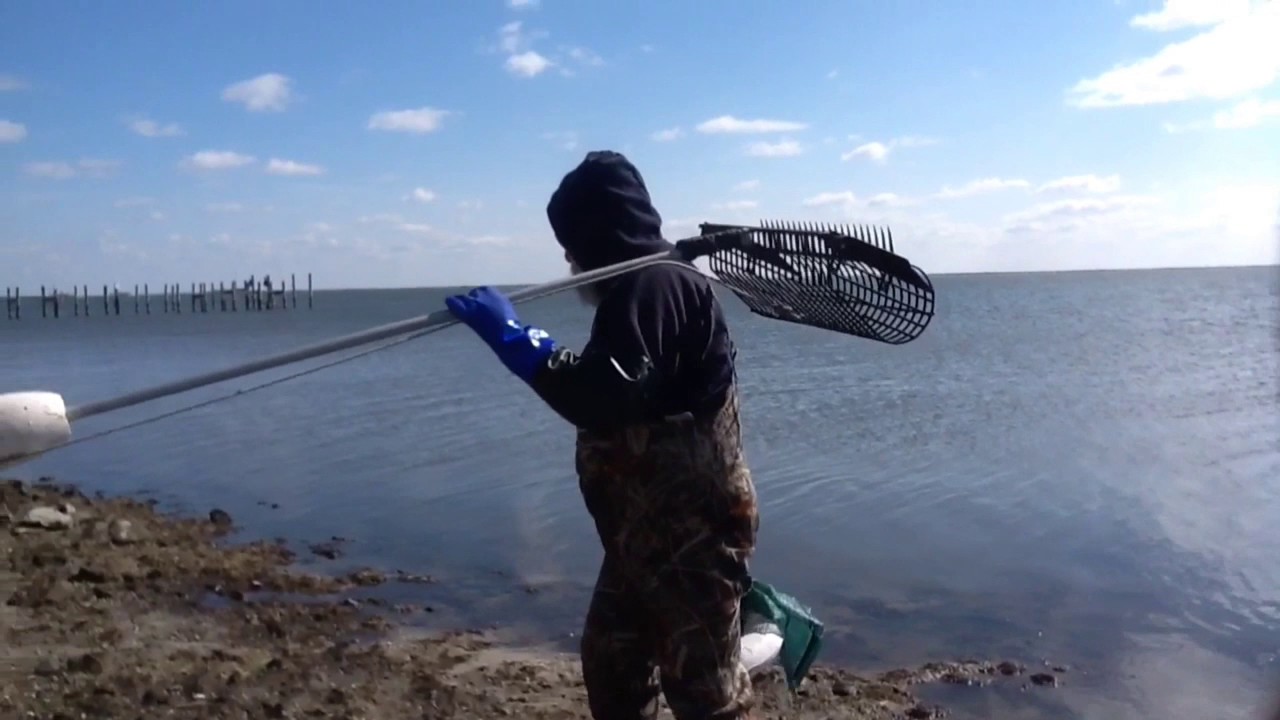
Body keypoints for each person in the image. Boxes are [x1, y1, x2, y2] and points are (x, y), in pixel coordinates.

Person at [445, 150, 760, 720]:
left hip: (692, 537)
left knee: (704, 692)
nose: (567, 259)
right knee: (613, 663)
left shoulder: (657, 287)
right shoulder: (639, 286)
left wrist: (516, 340)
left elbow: (600, 396)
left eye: (571, 243)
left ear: (599, 235)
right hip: (643, 537)